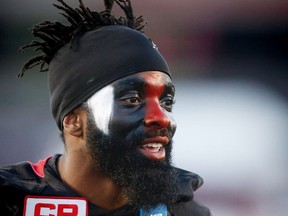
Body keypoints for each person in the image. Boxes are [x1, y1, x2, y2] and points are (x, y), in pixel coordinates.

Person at [0, 0, 212, 215]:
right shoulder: (13, 200)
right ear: (73, 120)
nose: (163, 118)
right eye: (132, 99)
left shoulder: (182, 209)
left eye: (166, 102)